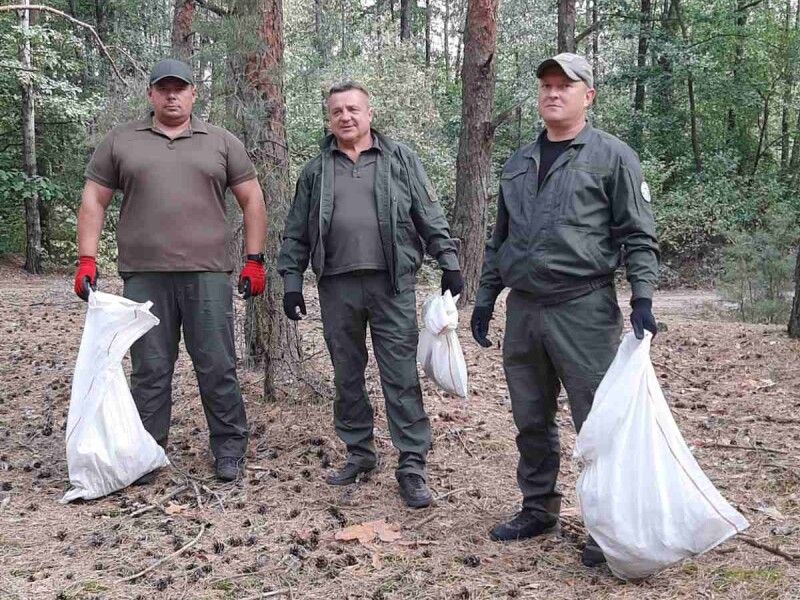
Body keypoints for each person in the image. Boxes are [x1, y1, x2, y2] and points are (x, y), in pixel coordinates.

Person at [470, 53, 659, 565]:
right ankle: (538, 507)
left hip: (584, 309)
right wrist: (486, 299)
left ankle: (607, 524)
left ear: (588, 96)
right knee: (530, 416)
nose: (553, 93)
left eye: (565, 86)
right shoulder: (519, 161)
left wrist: (641, 296)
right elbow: (499, 240)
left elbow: (638, 236)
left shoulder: (612, 157)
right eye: (546, 86)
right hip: (525, 311)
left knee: (596, 421)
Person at [73, 59, 267, 483]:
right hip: (144, 277)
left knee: (217, 364)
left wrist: (255, 260)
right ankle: (145, 449)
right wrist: (87, 258)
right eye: (164, 88)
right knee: (151, 368)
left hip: (208, 276)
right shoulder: (121, 141)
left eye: (180, 88)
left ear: (194, 93)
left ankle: (229, 448)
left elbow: (252, 199)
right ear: (151, 94)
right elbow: (94, 200)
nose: (172, 95)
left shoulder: (220, 141)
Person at [278, 81, 463, 508]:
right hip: (336, 286)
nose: (346, 116)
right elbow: (296, 231)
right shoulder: (315, 171)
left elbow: (427, 211)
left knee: (399, 374)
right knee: (347, 374)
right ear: (329, 118)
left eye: (353, 109)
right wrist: (291, 280)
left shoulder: (399, 160)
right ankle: (359, 453)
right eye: (337, 111)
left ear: (369, 113)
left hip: (391, 284)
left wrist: (447, 259)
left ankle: (412, 463)